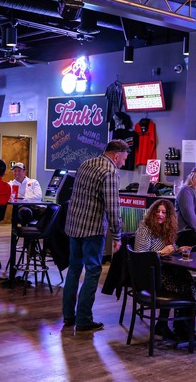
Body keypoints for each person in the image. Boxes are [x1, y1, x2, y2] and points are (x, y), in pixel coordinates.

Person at [62, 139, 129, 332]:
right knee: (92, 271)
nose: (123, 163)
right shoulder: (110, 171)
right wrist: (117, 236)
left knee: (74, 270)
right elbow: (112, 206)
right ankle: (83, 319)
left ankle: (68, 315)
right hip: (92, 229)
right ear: (116, 155)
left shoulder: (86, 164)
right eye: (124, 159)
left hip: (74, 226)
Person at [133, 199, 196, 340]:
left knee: (187, 280)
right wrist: (161, 252)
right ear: (152, 213)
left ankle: (183, 326)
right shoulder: (145, 229)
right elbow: (140, 257)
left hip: (163, 270)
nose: (160, 215)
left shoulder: (167, 230)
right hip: (148, 274)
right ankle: (168, 324)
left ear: (169, 216)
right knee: (178, 285)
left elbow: (170, 250)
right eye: (157, 211)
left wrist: (178, 250)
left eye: (164, 212)